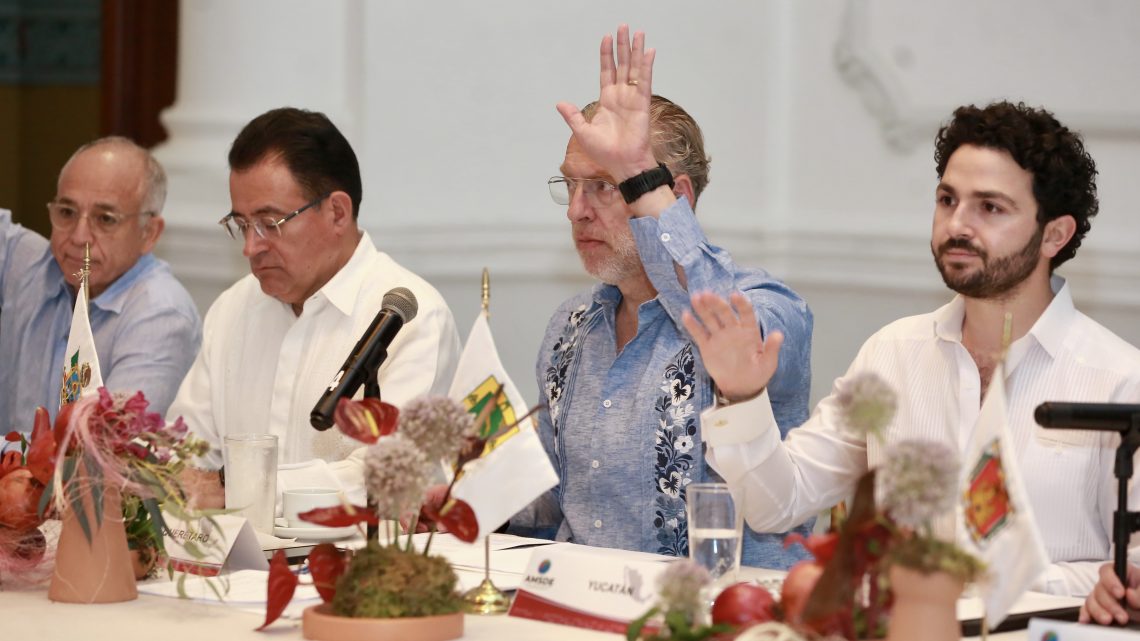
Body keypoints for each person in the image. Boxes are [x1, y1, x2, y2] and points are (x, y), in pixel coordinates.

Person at [688, 101, 1140, 595]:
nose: (958, 225)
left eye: (990, 207)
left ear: (1055, 234)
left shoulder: (1118, 378)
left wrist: (993, 582)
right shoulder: (894, 353)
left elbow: (1130, 570)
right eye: (948, 200)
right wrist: (743, 396)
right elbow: (778, 503)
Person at [506, 26, 815, 569]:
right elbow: (555, 496)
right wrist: (466, 486)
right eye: (570, 186)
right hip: (578, 607)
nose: (577, 210)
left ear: (677, 199)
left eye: (603, 185)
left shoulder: (763, 308)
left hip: (718, 614)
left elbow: (716, 320)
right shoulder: (571, 325)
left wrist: (635, 173)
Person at [172, 107, 460, 505]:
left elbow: (387, 476)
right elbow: (185, 450)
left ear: (337, 212)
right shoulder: (233, 308)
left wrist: (235, 488)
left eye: (269, 223)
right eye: (241, 224)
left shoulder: (412, 317)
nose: (250, 247)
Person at [0, 136, 201, 432]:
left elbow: (97, 455)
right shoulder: (32, 265)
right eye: (66, 213)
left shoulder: (161, 316)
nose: (79, 236)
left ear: (149, 233)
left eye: (105, 219)